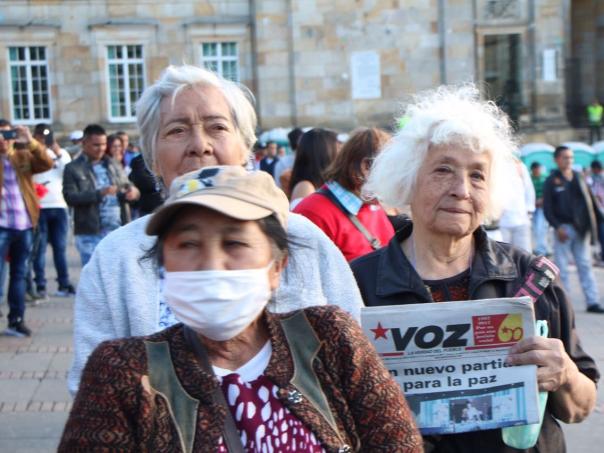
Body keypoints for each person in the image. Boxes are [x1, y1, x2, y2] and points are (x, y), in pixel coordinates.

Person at [59, 165, 422, 452]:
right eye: (187, 244)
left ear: (277, 267)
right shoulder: (125, 372)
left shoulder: (328, 339)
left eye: (234, 243)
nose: (210, 264)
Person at [68, 65, 363, 395]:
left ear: (245, 148)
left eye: (217, 127)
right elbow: (92, 390)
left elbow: (358, 355)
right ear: (152, 159)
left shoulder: (303, 238)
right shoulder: (117, 257)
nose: (200, 145)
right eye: (177, 130)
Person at [351, 86, 599, 452]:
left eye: (478, 175)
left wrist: (565, 374)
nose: (462, 190)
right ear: (408, 179)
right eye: (443, 170)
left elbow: (581, 406)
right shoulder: (357, 285)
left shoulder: (532, 277)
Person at [294, 127, 395, 261]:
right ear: (365, 167)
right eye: (391, 170)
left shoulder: (369, 203)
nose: (395, 180)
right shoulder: (314, 213)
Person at [0, 119, 53, 336]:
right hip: (2, 226)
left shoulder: (21, 156)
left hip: (24, 225)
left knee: (19, 275)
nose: (4, 140)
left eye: (7, 134)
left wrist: (30, 141)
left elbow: (46, 163)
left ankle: (16, 319)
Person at [62, 124, 140, 266]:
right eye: (96, 145)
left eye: (104, 144)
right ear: (84, 144)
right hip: (89, 233)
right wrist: (99, 194)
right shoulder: (72, 168)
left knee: (116, 276)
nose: (101, 149)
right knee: (94, 277)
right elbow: (70, 197)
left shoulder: (113, 163)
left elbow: (127, 185)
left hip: (117, 231)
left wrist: (133, 192)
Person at [543, 146, 604, 313]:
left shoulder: (579, 177)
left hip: (581, 229)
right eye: (565, 157)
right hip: (563, 229)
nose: (568, 160)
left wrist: (595, 224)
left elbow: (590, 202)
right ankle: (565, 305)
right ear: (556, 160)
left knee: (585, 265)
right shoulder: (551, 180)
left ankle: (592, 302)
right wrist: (557, 227)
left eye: (570, 157)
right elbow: (547, 208)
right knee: (562, 269)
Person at [31, 124, 75, 298]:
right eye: (40, 136)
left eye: (46, 136)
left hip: (59, 204)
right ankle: (40, 284)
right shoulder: (30, 153)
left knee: (60, 248)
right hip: (40, 205)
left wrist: (56, 151)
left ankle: (63, 283)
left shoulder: (61, 153)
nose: (44, 140)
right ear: (35, 136)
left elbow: (69, 171)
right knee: (39, 249)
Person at [289, 128, 338, 209]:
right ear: (324, 152)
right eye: (337, 147)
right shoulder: (305, 187)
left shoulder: (322, 183)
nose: (340, 152)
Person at [498, 156, 535, 252]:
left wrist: (529, 211)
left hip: (521, 221)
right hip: (501, 222)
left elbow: (529, 189)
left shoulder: (520, 166)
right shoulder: (494, 165)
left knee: (524, 254)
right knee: (502, 256)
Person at [530, 162, 549, 256]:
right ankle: (540, 248)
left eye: (539, 169)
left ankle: (542, 250)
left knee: (541, 228)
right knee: (535, 229)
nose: (537, 171)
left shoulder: (545, 178)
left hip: (542, 207)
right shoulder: (530, 178)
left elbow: (548, 191)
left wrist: (542, 200)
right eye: (536, 169)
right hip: (532, 207)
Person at [588, 160, 604, 262]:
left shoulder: (598, 178)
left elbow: (597, 195)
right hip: (598, 211)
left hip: (600, 211)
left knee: (602, 235)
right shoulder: (594, 178)